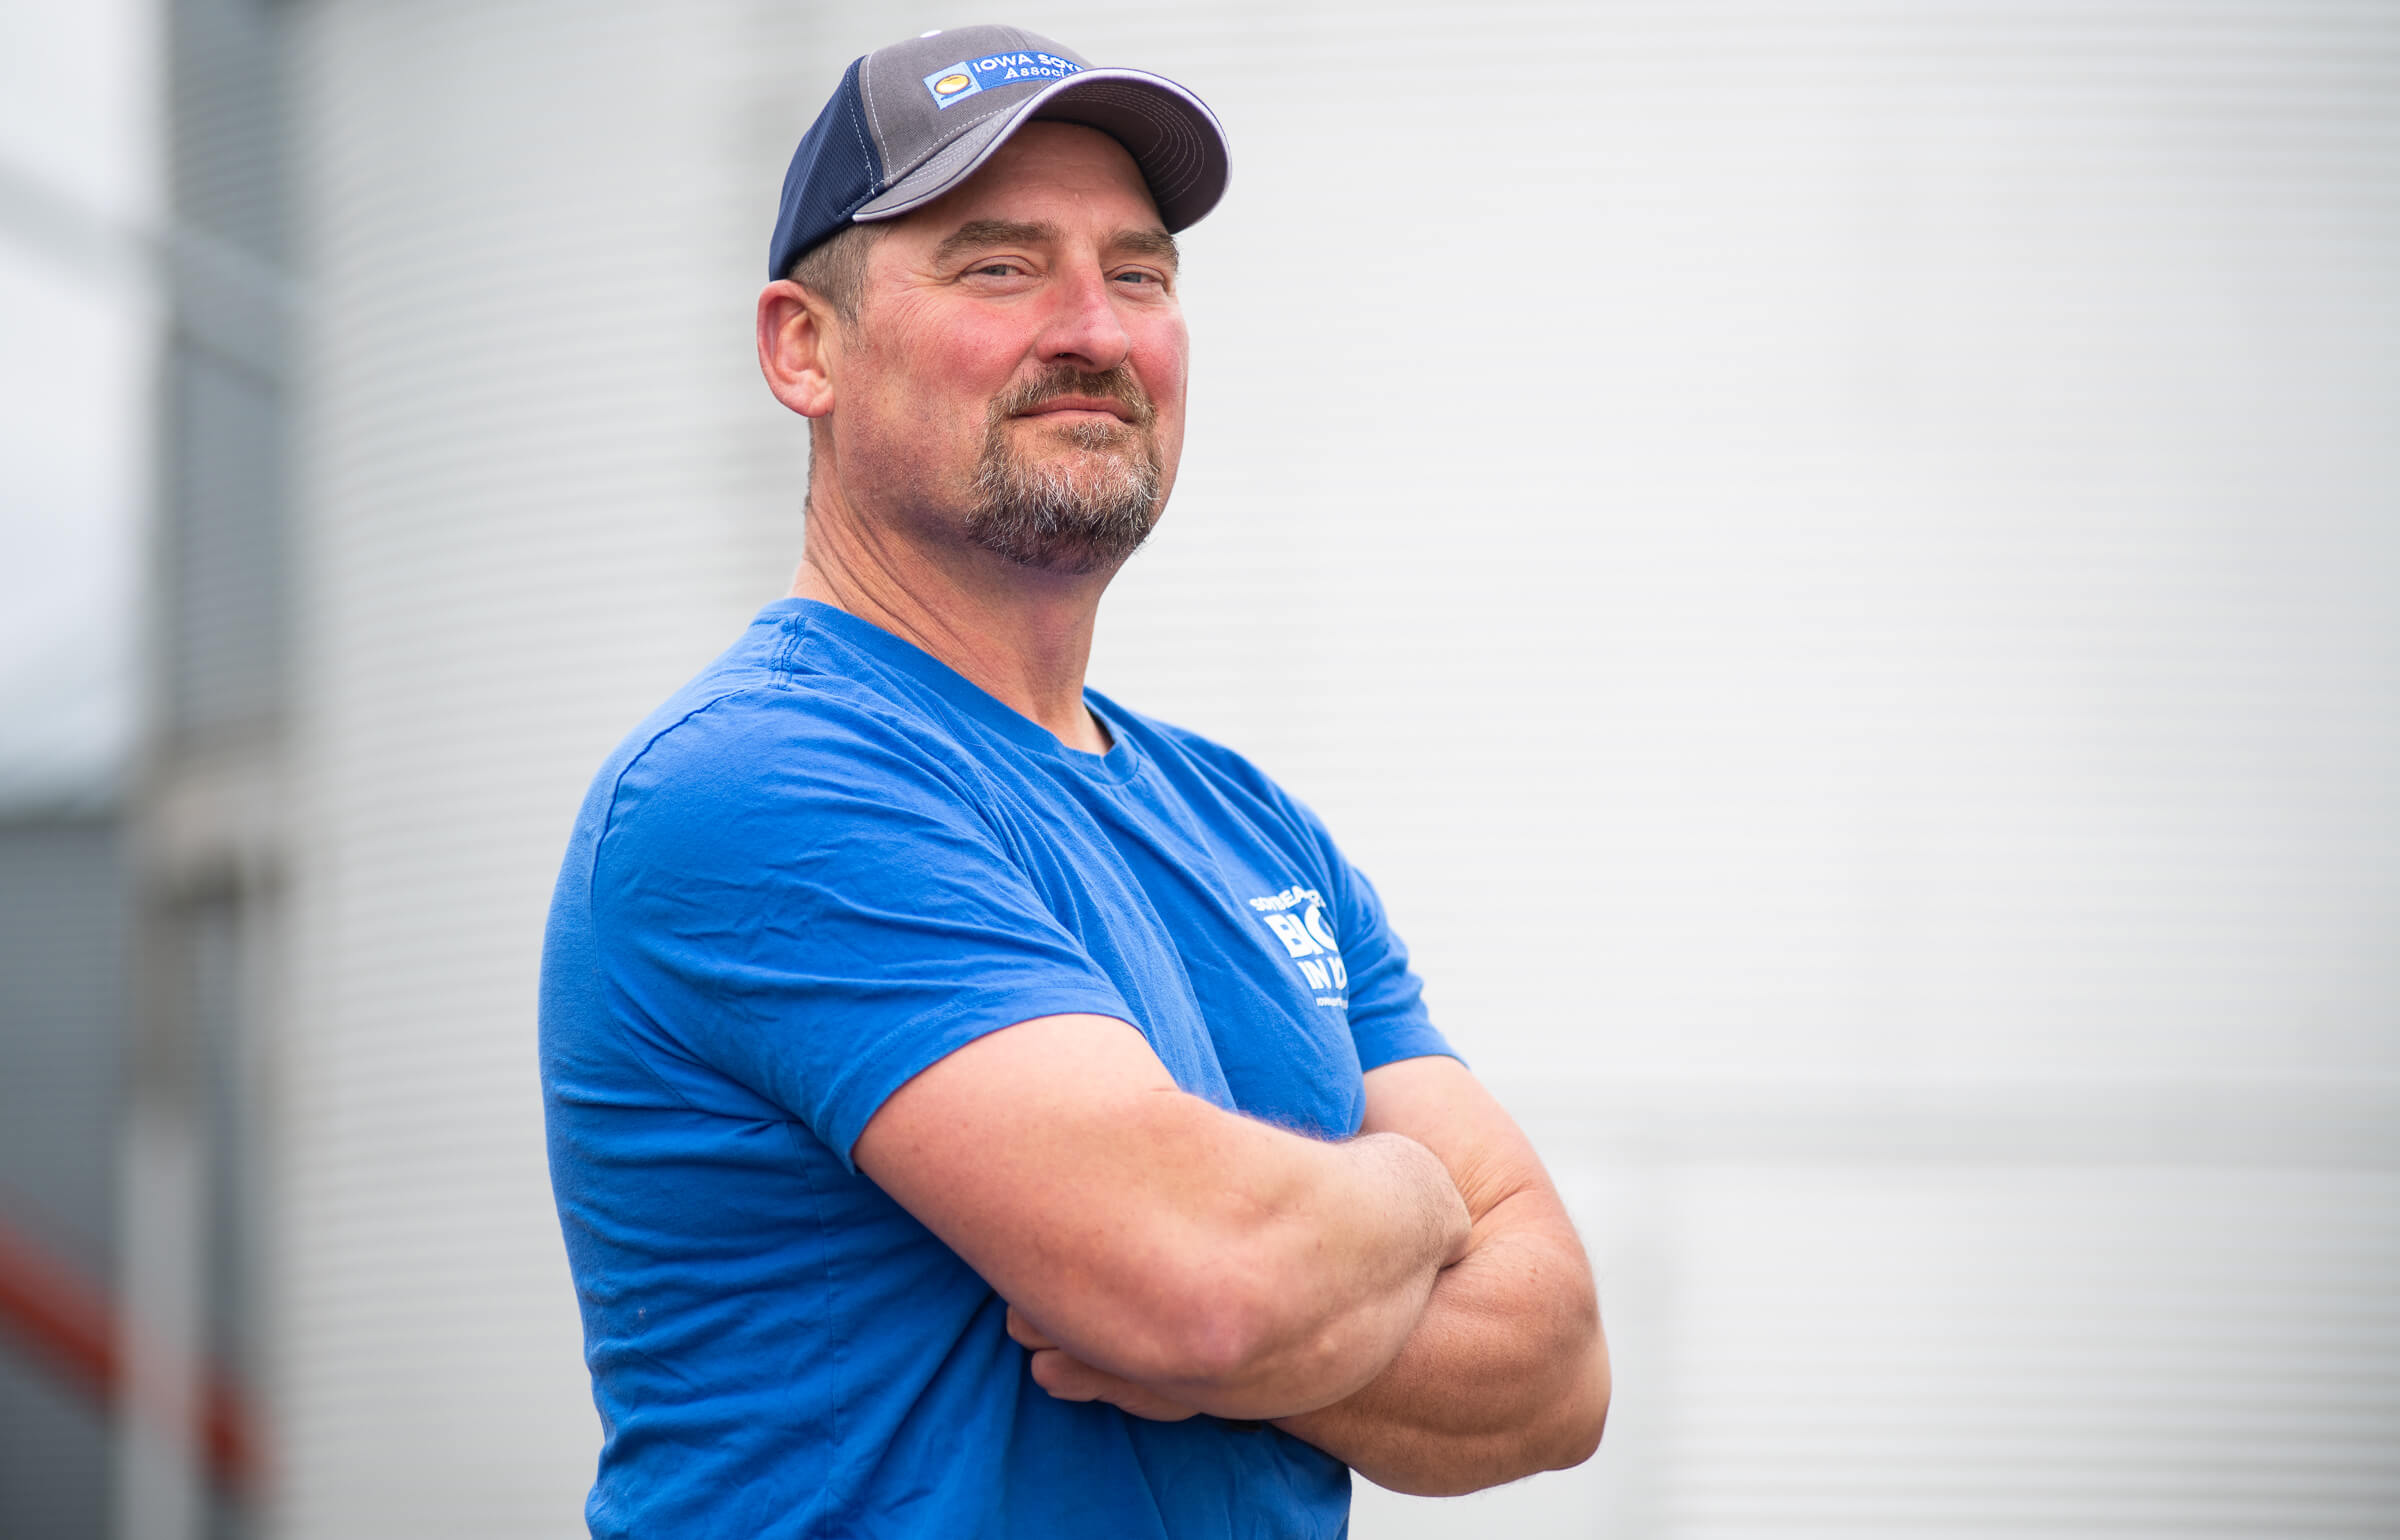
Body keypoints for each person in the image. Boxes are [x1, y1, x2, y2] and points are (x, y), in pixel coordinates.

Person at [539, 23, 1607, 1539]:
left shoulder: (1248, 825)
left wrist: (1252, 1308)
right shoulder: (759, 787)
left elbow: (1557, 1371)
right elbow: (1205, 1285)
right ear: (804, 346)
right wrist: (1419, 1205)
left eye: (1142, 272)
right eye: (998, 266)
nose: (1096, 328)